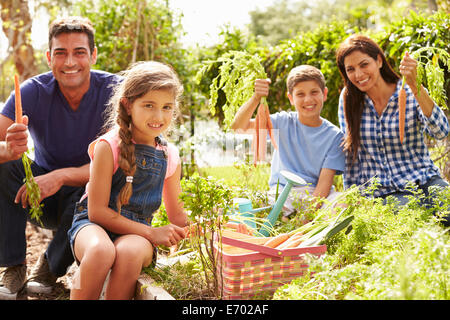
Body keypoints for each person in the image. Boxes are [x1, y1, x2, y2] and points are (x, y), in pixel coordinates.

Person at [0, 16, 122, 299]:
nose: (70, 62)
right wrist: (8, 149)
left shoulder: (116, 91)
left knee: (98, 183)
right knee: (5, 165)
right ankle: (13, 266)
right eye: (60, 53)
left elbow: (123, 158)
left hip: (91, 198)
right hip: (38, 197)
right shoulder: (32, 90)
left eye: (79, 52)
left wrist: (61, 175)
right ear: (48, 58)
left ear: (93, 55)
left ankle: (49, 267)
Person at [67, 61, 188, 300]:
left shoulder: (169, 155)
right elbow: (97, 213)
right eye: (149, 105)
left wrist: (214, 228)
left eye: (166, 107)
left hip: (137, 235)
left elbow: (178, 217)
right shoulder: (108, 146)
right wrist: (152, 233)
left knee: (130, 252)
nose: (158, 116)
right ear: (128, 105)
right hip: (92, 227)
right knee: (101, 251)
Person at [336, 34, 450, 226]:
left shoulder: (408, 90)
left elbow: (441, 132)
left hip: (426, 181)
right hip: (385, 193)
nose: (359, 74)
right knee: (416, 222)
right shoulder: (348, 100)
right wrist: (352, 198)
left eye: (364, 65)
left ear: (379, 60)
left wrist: (416, 86)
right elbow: (351, 154)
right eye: (351, 69)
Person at [232, 65, 345, 217]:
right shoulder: (282, 121)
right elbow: (239, 128)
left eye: (314, 92)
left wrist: (304, 218)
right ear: (291, 98)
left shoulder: (335, 136)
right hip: (281, 195)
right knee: (241, 207)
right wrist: (256, 98)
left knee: (344, 203)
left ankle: (292, 223)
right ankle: (284, 219)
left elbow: (323, 187)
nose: (308, 99)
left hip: (315, 196)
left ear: (324, 94)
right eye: (300, 94)